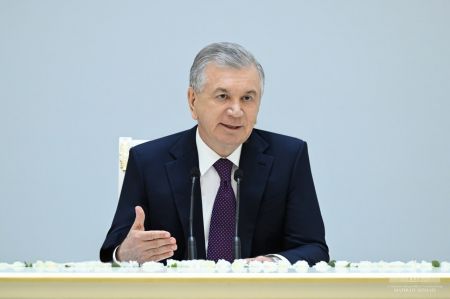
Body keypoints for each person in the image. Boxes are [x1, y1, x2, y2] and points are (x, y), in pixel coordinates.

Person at [100, 42, 329, 265]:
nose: (236, 111)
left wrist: (272, 262)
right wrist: (124, 254)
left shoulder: (288, 158)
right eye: (223, 97)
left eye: (247, 98)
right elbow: (113, 249)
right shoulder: (148, 162)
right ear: (193, 101)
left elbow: (314, 247)